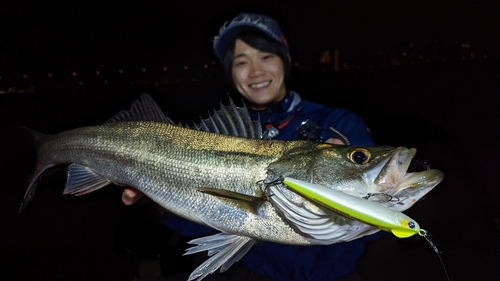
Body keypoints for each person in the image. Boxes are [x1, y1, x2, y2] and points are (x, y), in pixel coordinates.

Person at [123, 12, 381, 280]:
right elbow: (202, 224)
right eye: (241, 62)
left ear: (286, 58)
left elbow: (375, 210)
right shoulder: (224, 133)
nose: (256, 71)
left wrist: (350, 156)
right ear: (229, 73)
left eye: (267, 56)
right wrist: (160, 202)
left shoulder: (338, 123)